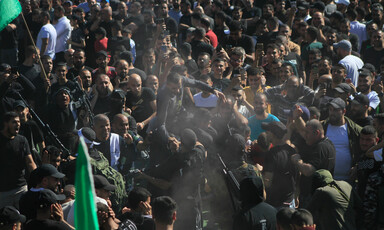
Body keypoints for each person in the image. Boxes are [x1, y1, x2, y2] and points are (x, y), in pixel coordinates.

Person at [291, 118, 336, 208]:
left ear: (317, 133)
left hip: (314, 196)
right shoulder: (328, 143)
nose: (305, 135)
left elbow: (308, 171)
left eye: (307, 133)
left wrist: (297, 161)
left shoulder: (321, 148)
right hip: (319, 194)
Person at [0, 112, 37, 209]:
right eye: (14, 122)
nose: (18, 125)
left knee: (25, 216)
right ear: (5, 123)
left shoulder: (22, 140)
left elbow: (30, 162)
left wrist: (38, 179)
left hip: (20, 187)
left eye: (19, 122)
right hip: (3, 192)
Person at [322, 98, 362, 182]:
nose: (332, 113)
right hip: (326, 180)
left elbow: (366, 151)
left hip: (348, 181)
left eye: (336, 110)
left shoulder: (355, 130)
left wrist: (357, 166)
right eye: (330, 109)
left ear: (344, 111)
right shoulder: (323, 127)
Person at [262, 121, 298, 208]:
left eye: (268, 131)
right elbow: (297, 175)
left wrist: (259, 173)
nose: (266, 133)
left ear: (273, 134)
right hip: (290, 201)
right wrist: (297, 195)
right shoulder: (291, 150)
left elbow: (267, 182)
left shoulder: (271, 154)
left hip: (276, 204)